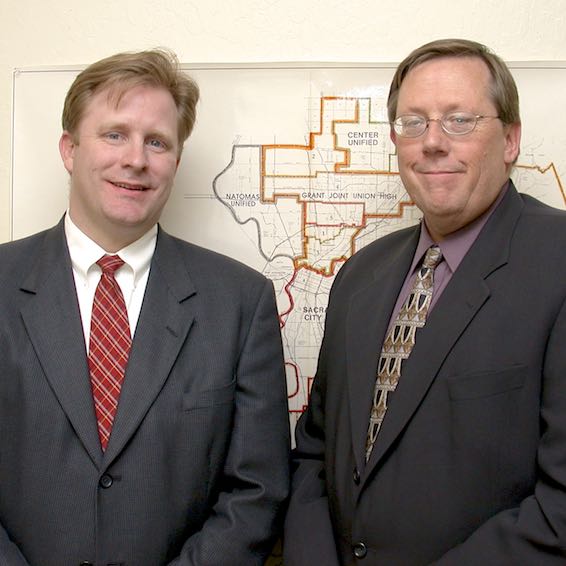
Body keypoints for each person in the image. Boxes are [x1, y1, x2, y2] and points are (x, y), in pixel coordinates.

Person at [0, 48, 290, 565]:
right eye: (114, 134)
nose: (136, 159)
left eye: (157, 142)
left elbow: (257, 490)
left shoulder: (240, 302)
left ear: (175, 161)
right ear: (69, 149)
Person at [283, 38, 566, 565]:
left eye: (459, 120)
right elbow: (316, 453)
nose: (432, 142)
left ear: (510, 139)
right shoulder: (360, 275)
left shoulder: (557, 263)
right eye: (413, 123)